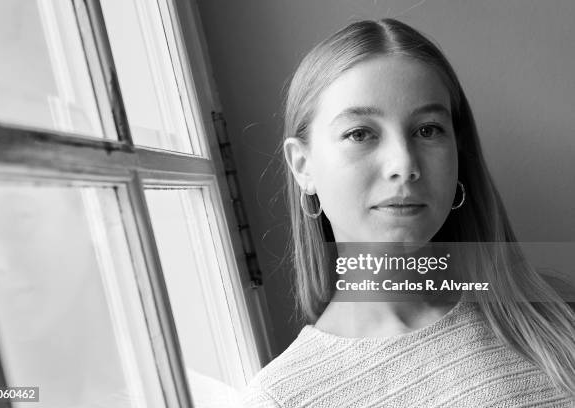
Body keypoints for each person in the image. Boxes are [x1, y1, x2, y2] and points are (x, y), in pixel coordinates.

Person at [241, 19, 575, 407]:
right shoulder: (279, 398)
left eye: (428, 130)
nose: (404, 164)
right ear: (303, 166)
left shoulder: (556, 318)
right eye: (360, 133)